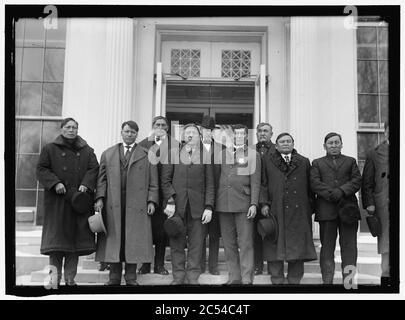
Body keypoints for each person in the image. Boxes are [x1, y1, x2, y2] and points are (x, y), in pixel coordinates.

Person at [94, 121, 159, 286]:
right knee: (115, 240)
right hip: (113, 204)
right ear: (121, 132)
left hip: (137, 206)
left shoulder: (147, 154)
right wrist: (100, 198)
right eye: (127, 131)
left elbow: (153, 182)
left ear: (137, 134)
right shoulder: (108, 154)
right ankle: (113, 278)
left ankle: (131, 277)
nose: (130, 134)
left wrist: (151, 200)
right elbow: (101, 180)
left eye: (133, 132)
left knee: (133, 240)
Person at [36, 117, 99, 287]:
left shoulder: (87, 150)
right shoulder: (50, 149)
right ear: (62, 129)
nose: (71, 130)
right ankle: (54, 280)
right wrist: (55, 183)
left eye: (74, 127)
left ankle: (70, 280)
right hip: (57, 204)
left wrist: (86, 184)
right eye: (68, 127)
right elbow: (41, 169)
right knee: (56, 246)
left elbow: (94, 168)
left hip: (78, 203)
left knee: (74, 246)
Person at [161, 123, 215, 285]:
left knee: (197, 244)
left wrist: (209, 207)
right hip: (177, 207)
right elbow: (165, 181)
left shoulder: (205, 156)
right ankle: (178, 277)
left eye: (194, 133)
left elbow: (210, 184)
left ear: (199, 137)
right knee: (176, 243)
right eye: (187, 133)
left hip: (198, 208)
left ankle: (192, 277)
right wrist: (170, 201)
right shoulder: (172, 154)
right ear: (183, 137)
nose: (190, 135)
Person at [260, 133, 317, 284]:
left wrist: (309, 207)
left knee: (298, 246)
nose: (285, 144)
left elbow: (310, 187)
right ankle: (277, 279)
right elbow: (263, 184)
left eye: (288, 141)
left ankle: (294, 280)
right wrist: (264, 203)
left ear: (293, 144)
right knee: (274, 245)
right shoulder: (267, 161)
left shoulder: (304, 162)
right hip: (275, 210)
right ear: (276, 146)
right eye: (282, 142)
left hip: (298, 212)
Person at [310, 132, 362, 285]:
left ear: (341, 144)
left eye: (336, 142)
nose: (334, 145)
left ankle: (349, 282)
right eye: (330, 143)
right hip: (327, 211)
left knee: (350, 248)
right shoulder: (317, 163)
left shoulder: (350, 161)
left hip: (348, 211)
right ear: (324, 146)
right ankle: (328, 282)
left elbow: (356, 180)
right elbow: (314, 183)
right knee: (327, 248)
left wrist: (342, 191)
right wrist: (332, 193)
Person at [216, 124, 261, 285]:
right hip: (224, 203)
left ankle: (247, 277)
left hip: (243, 203)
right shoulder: (222, 154)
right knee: (228, 243)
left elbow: (256, 182)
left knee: (246, 242)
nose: (239, 137)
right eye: (236, 134)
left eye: (242, 134)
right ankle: (234, 277)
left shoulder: (253, 155)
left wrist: (254, 203)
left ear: (246, 137)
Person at [138, 116, 171, 276]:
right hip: (147, 196)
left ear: (168, 128)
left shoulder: (175, 146)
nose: (160, 127)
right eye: (157, 124)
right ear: (152, 126)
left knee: (161, 233)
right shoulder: (143, 145)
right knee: (145, 232)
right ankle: (145, 264)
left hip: (166, 197)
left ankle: (159, 265)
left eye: (163, 125)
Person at [361, 123, 390, 286]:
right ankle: (387, 281)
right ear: (385, 132)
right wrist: (369, 203)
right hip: (384, 206)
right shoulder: (374, 153)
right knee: (387, 245)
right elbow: (367, 182)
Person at [199, 116, 224, 275]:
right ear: (200, 130)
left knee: (214, 234)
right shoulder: (192, 147)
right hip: (198, 197)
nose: (208, 132)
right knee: (199, 234)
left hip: (217, 197)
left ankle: (213, 265)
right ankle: (200, 264)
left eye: (211, 130)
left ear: (214, 131)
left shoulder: (222, 149)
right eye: (205, 129)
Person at [254, 122, 276, 275]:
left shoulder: (278, 150)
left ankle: (273, 265)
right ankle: (257, 265)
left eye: (265, 131)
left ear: (271, 134)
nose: (262, 133)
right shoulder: (249, 150)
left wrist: (266, 202)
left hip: (273, 199)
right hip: (254, 200)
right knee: (255, 234)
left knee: (272, 232)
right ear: (256, 134)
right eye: (260, 131)